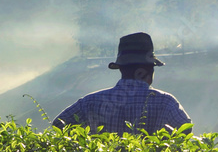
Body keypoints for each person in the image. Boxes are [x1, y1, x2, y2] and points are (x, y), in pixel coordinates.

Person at [53, 32, 191, 134]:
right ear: (149, 69)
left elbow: (58, 125)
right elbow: (185, 131)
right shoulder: (166, 102)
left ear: (121, 68)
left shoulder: (90, 102)